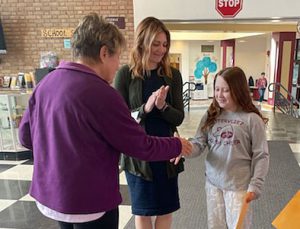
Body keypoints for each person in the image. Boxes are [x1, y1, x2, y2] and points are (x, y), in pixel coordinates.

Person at [18, 13, 192, 229]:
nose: (118, 64)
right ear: (103, 53)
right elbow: (138, 144)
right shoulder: (102, 93)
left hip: (53, 197)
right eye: (117, 56)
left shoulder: (46, 82)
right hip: (91, 201)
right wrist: (177, 144)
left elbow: (25, 137)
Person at [114, 17, 185, 229]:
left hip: (166, 150)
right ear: (142, 42)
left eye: (164, 44)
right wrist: (146, 107)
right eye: (156, 44)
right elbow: (121, 121)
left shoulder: (173, 75)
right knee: (143, 210)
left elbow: (179, 118)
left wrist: (163, 106)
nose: (161, 50)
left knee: (166, 208)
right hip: (138, 155)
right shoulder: (125, 74)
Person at [189, 67, 269, 229]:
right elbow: (198, 144)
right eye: (217, 89)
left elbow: (261, 155)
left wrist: (256, 184)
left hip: (238, 187)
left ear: (238, 90)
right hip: (213, 183)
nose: (219, 94)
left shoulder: (252, 119)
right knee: (216, 226)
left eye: (225, 90)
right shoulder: (211, 114)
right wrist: (183, 148)